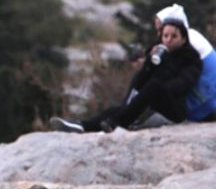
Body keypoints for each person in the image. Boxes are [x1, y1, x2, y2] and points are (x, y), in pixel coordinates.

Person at [51, 13, 202, 133]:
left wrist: (166, 63)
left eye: (174, 37)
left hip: (173, 111)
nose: (168, 40)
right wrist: (150, 63)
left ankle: (119, 122)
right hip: (150, 107)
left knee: (154, 87)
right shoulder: (158, 54)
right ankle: (82, 126)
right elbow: (141, 82)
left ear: (183, 39)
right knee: (117, 109)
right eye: (165, 36)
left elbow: (181, 85)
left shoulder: (192, 60)